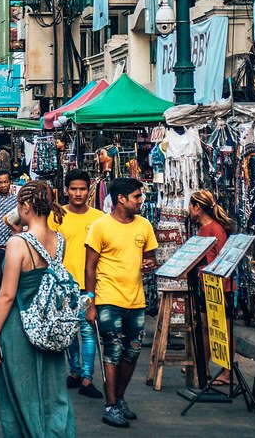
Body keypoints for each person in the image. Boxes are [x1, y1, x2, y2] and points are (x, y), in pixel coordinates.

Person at [0, 180, 76, 437]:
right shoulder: (60, 240)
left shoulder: (17, 245)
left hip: (18, 329)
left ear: (25, 206)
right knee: (51, 393)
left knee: (19, 394)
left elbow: (6, 295)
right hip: (49, 325)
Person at [84, 177, 157, 428]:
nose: (141, 200)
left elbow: (150, 257)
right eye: (137, 196)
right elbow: (90, 267)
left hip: (136, 299)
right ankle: (111, 405)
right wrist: (90, 302)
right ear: (121, 199)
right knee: (113, 350)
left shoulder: (144, 225)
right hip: (107, 298)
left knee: (133, 351)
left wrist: (149, 264)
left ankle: (120, 398)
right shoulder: (100, 226)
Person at [48, 169, 105, 399]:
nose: (78, 193)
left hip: (89, 285)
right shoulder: (57, 215)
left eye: (82, 189)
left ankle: (87, 378)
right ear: (66, 190)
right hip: (63, 285)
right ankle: (75, 372)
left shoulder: (99, 218)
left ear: (89, 189)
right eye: (73, 189)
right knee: (69, 334)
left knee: (88, 332)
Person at [188, 189, 234, 387]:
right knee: (206, 328)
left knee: (223, 330)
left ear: (197, 207)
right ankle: (204, 367)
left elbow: (224, 262)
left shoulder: (215, 229)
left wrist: (222, 291)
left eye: (190, 206)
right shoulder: (202, 229)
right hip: (206, 285)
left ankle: (227, 372)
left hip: (220, 287)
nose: (188, 211)